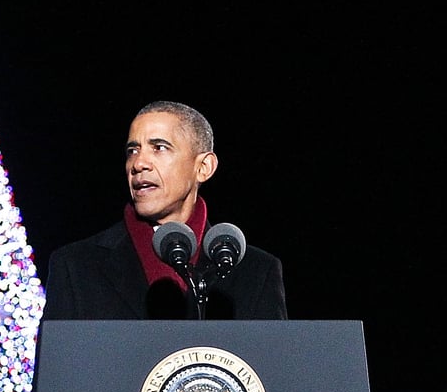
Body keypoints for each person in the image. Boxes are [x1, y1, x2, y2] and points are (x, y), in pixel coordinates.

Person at [40, 101, 288, 320]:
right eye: (132, 151)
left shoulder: (256, 272)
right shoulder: (76, 266)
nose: (139, 164)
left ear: (204, 167)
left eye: (159, 147)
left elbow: (273, 368)